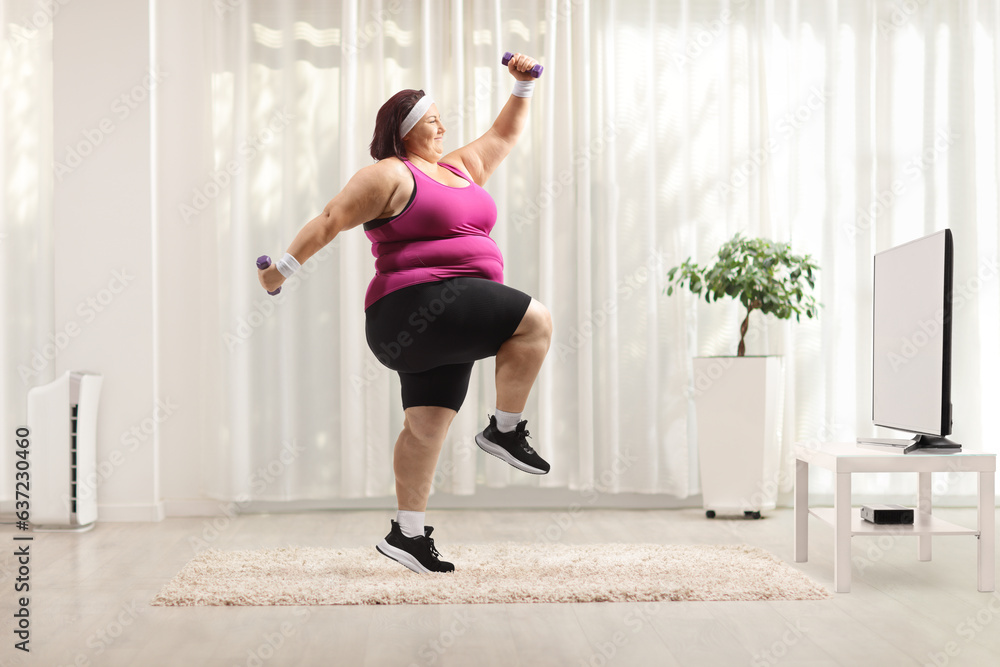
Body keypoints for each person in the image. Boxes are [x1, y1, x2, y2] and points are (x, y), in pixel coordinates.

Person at [258, 53, 552, 574]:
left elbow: (503, 136)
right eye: (430, 118)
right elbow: (329, 220)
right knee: (535, 321)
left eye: (441, 117)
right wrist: (279, 270)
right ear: (405, 129)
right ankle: (505, 430)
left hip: (453, 319)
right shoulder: (388, 175)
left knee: (426, 426)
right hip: (412, 308)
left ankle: (407, 534)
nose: (441, 124)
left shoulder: (460, 168)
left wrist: (523, 86)